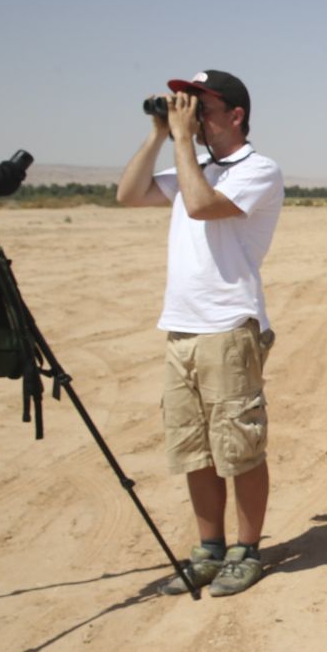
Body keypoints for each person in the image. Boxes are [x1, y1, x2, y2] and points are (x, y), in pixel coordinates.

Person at [116, 70, 285, 597]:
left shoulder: (257, 170)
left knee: (240, 447)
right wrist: (158, 134)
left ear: (236, 116)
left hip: (228, 327)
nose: (192, 115)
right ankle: (209, 548)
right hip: (182, 328)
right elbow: (129, 194)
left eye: (202, 107)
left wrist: (184, 143)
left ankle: (247, 549)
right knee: (196, 450)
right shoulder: (195, 164)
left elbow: (201, 205)